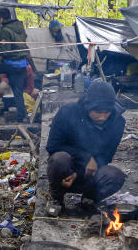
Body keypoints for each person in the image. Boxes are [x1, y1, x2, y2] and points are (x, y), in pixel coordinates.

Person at [46, 79, 126, 214]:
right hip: (65, 172)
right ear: (88, 106)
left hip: (89, 175)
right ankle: (56, 197)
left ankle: (88, 199)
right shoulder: (68, 113)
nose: (102, 117)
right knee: (59, 158)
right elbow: (53, 146)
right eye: (97, 112)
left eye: (106, 113)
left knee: (115, 175)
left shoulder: (117, 121)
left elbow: (107, 155)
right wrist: (86, 157)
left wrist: (78, 174)